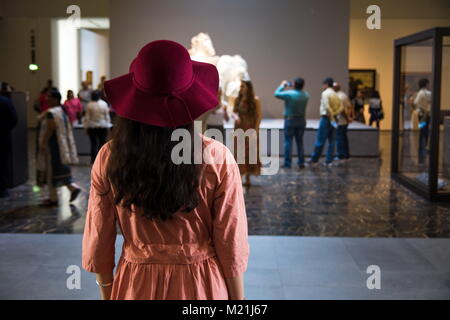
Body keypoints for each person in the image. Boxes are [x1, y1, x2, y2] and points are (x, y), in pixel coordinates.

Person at [82, 40, 249, 300]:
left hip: (135, 285)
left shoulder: (109, 157)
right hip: (201, 285)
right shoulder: (217, 158)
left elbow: (99, 239)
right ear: (190, 96)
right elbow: (230, 243)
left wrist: (108, 292)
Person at [36, 88, 81, 206]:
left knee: (51, 171)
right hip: (62, 144)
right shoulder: (62, 110)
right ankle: (73, 188)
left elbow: (51, 128)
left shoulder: (52, 113)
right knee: (61, 169)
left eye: (49, 97)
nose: (47, 99)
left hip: (53, 145)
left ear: (56, 99)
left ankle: (53, 198)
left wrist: (43, 142)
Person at [274, 77, 309, 168]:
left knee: (288, 142)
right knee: (300, 142)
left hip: (290, 120)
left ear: (294, 84)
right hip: (301, 120)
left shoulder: (290, 94)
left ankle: (287, 163)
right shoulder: (306, 95)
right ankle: (301, 162)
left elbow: (276, 94)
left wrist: (282, 85)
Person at [308, 77, 343, 166]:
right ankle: (329, 160)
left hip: (327, 118)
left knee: (320, 140)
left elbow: (327, 107)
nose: (322, 86)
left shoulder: (325, 93)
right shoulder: (336, 94)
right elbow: (341, 107)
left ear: (326, 84)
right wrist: (334, 114)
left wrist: (331, 117)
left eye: (323, 84)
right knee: (332, 141)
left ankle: (315, 159)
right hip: (335, 118)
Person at [233, 80, 262, 186]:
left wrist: (255, 130)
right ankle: (240, 177)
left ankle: (248, 178)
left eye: (243, 86)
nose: (241, 89)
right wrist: (235, 116)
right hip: (239, 128)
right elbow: (234, 112)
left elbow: (258, 116)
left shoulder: (255, 100)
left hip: (250, 129)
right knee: (239, 153)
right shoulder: (238, 99)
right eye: (240, 86)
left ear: (248, 88)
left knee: (250, 154)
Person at [84, 90, 112, 164]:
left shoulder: (89, 104)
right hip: (103, 126)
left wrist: (86, 128)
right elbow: (107, 116)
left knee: (93, 144)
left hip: (92, 127)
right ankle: (101, 160)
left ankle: (93, 160)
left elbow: (87, 117)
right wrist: (108, 127)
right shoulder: (104, 104)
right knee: (102, 144)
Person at [0, 84, 18, 198]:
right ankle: (2, 189)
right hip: (3, 137)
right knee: (2, 162)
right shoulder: (5, 101)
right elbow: (14, 119)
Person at [413, 78, 431, 165]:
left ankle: (423, 145)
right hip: (427, 114)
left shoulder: (419, 93)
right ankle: (426, 145)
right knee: (426, 129)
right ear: (426, 84)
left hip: (421, 114)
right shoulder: (428, 93)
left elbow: (415, 102)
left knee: (423, 129)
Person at [333, 82, 353, 162]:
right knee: (344, 138)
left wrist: (347, 118)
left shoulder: (338, 97)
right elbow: (349, 107)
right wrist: (349, 117)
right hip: (344, 121)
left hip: (340, 120)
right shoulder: (344, 95)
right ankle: (346, 155)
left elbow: (341, 110)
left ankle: (340, 155)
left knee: (339, 138)